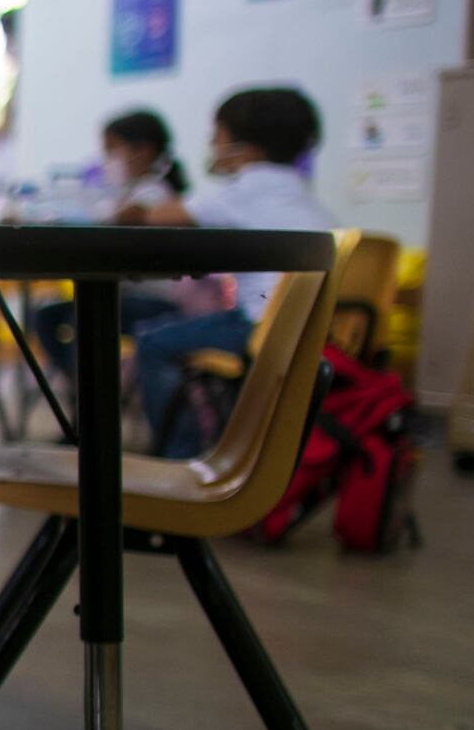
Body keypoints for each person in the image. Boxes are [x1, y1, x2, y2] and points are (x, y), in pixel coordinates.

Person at [124, 87, 332, 458]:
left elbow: (158, 217)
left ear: (245, 149)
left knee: (153, 343)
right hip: (315, 330)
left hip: (261, 327)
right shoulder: (301, 192)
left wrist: (128, 209)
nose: (210, 143)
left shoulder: (244, 188)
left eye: (216, 135)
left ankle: (181, 456)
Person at [29, 108, 191, 378]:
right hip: (124, 295)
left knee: (83, 316)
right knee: (47, 316)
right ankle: (82, 391)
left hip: (151, 301)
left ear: (143, 151)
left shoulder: (154, 194)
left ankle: (90, 398)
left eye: (112, 150)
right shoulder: (127, 192)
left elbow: (115, 219)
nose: (106, 160)